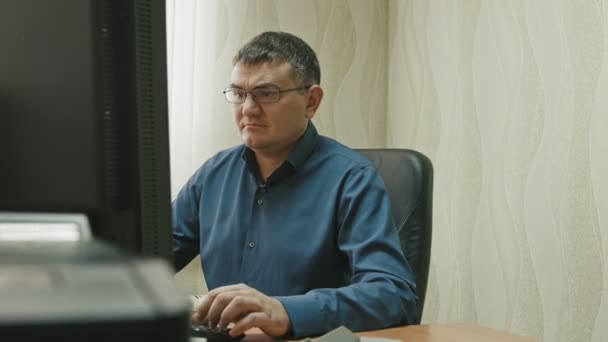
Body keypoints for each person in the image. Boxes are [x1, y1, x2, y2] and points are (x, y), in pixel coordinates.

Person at [172, 31, 418, 338]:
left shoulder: (352, 179)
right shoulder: (214, 175)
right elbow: (146, 258)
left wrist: (287, 311)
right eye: (238, 93)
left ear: (311, 101)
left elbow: (393, 295)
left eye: (267, 93)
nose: (248, 108)